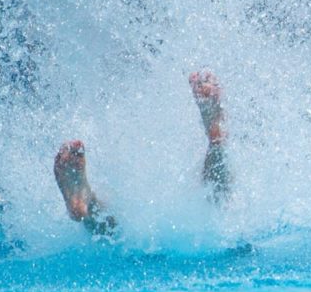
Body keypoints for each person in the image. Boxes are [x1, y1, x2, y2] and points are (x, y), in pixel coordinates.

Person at [53, 70, 231, 236]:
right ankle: (217, 143)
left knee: (116, 230)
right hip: (203, 237)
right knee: (215, 205)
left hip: (132, 246)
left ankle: (88, 204)